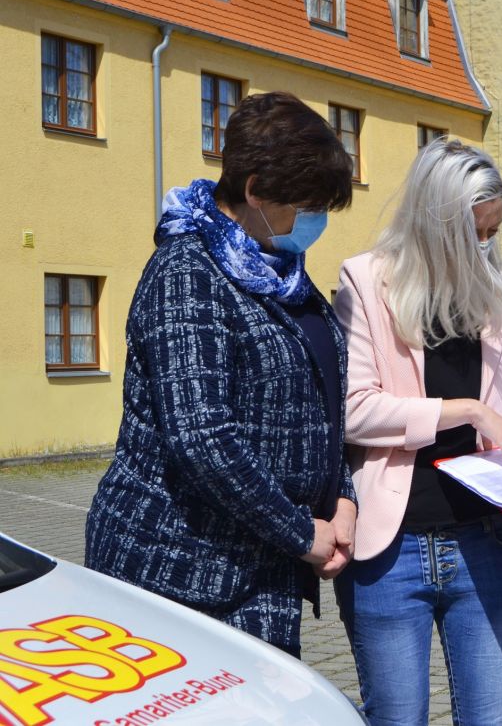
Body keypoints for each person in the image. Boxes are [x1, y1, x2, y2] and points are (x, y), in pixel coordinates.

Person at [333, 138, 502, 725]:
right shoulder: (365, 282)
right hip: (392, 548)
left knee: (492, 717)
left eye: (494, 231)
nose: (486, 246)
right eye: (475, 232)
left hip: (487, 541)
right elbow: (352, 410)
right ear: (435, 222)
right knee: (395, 717)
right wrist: (462, 410)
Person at [85, 91, 357, 656]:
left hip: (263, 569)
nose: (314, 223)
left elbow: (319, 403)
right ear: (254, 190)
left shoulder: (280, 272)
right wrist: (303, 532)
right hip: (183, 574)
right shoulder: (188, 273)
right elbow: (202, 438)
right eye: (306, 206)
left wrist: (344, 497)